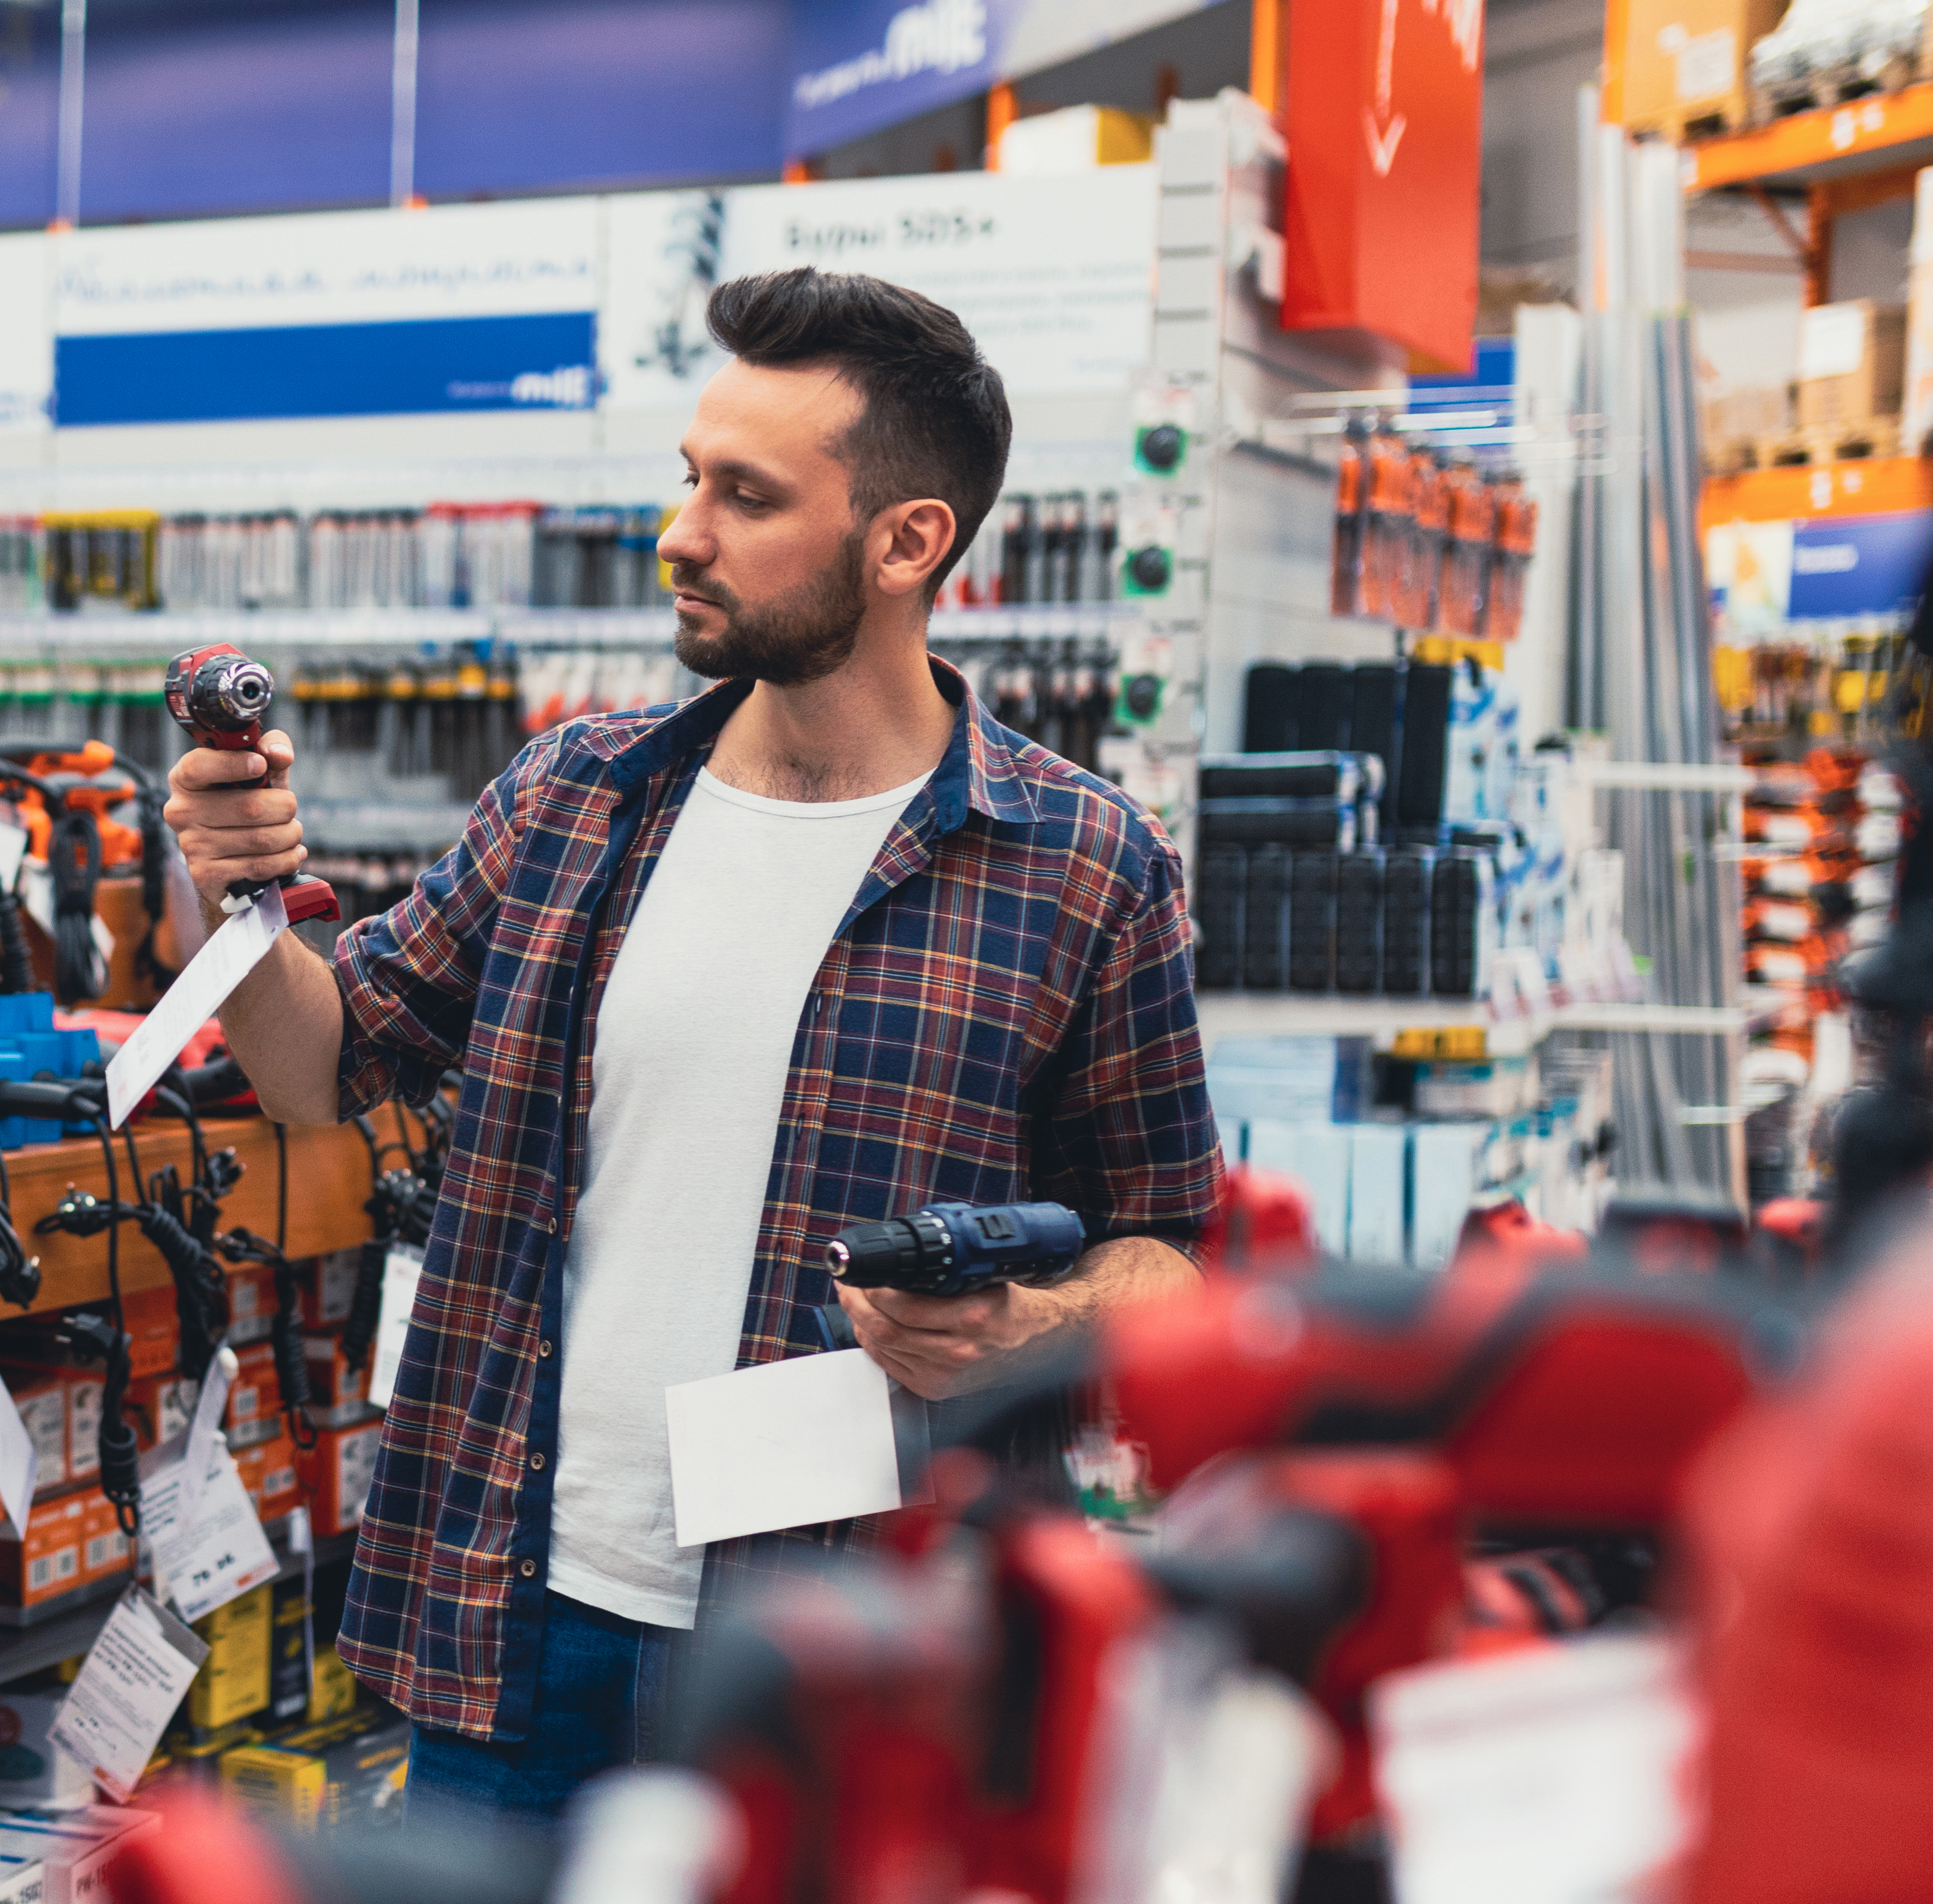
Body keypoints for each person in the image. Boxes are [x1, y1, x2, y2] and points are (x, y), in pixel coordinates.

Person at [162, 264, 1223, 1822]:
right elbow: (329, 1067)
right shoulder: (572, 796)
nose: (681, 534)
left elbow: (1181, 1262)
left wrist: (1028, 1329)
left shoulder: (1082, 865)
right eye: (686, 479)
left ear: (906, 542)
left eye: (744, 494)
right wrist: (241, 896)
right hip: (516, 1614)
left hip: (844, 1660)